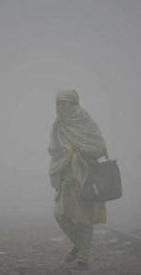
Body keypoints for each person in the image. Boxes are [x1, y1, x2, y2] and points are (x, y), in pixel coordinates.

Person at [48, 89, 108, 271]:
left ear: (74, 104)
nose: (59, 107)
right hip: (65, 178)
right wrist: (61, 152)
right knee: (60, 215)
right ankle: (80, 246)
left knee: (84, 219)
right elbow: (53, 148)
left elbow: (100, 149)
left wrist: (80, 148)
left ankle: (82, 259)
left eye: (63, 103)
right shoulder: (57, 125)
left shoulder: (87, 123)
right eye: (57, 103)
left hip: (86, 177)